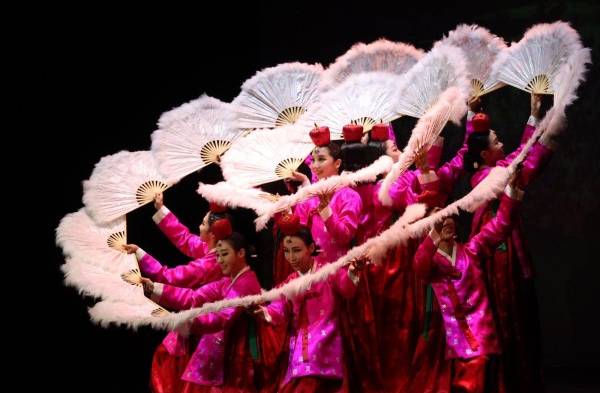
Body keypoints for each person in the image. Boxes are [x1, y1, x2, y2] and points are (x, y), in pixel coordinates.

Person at [463, 94, 554, 392]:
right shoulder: (486, 178)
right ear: (484, 155)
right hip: (499, 253)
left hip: (506, 245)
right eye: (495, 140)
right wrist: (545, 134)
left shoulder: (495, 168)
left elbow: (518, 154)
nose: (501, 142)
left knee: (516, 313)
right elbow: (524, 165)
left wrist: (534, 114)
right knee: (508, 314)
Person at [412, 174, 525, 393]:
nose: (446, 221)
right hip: (448, 344)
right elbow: (419, 266)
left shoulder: (472, 251)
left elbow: (501, 225)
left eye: (449, 215)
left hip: (480, 337)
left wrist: (512, 191)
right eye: (440, 217)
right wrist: (433, 232)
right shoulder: (432, 264)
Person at [141, 219, 261, 393]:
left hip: (237, 359)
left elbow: (222, 317)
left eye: (224, 254)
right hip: (221, 350)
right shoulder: (227, 280)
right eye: (218, 255)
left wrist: (189, 321)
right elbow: (193, 297)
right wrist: (153, 289)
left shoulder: (245, 283)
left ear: (241, 253)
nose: (219, 261)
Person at [254, 213, 363, 392]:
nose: (291, 257)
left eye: (296, 250)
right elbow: (279, 308)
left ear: (311, 247)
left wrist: (352, 272)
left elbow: (347, 289)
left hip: (328, 340)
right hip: (301, 346)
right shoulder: (289, 282)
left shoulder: (328, 271)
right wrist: (265, 312)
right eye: (287, 251)